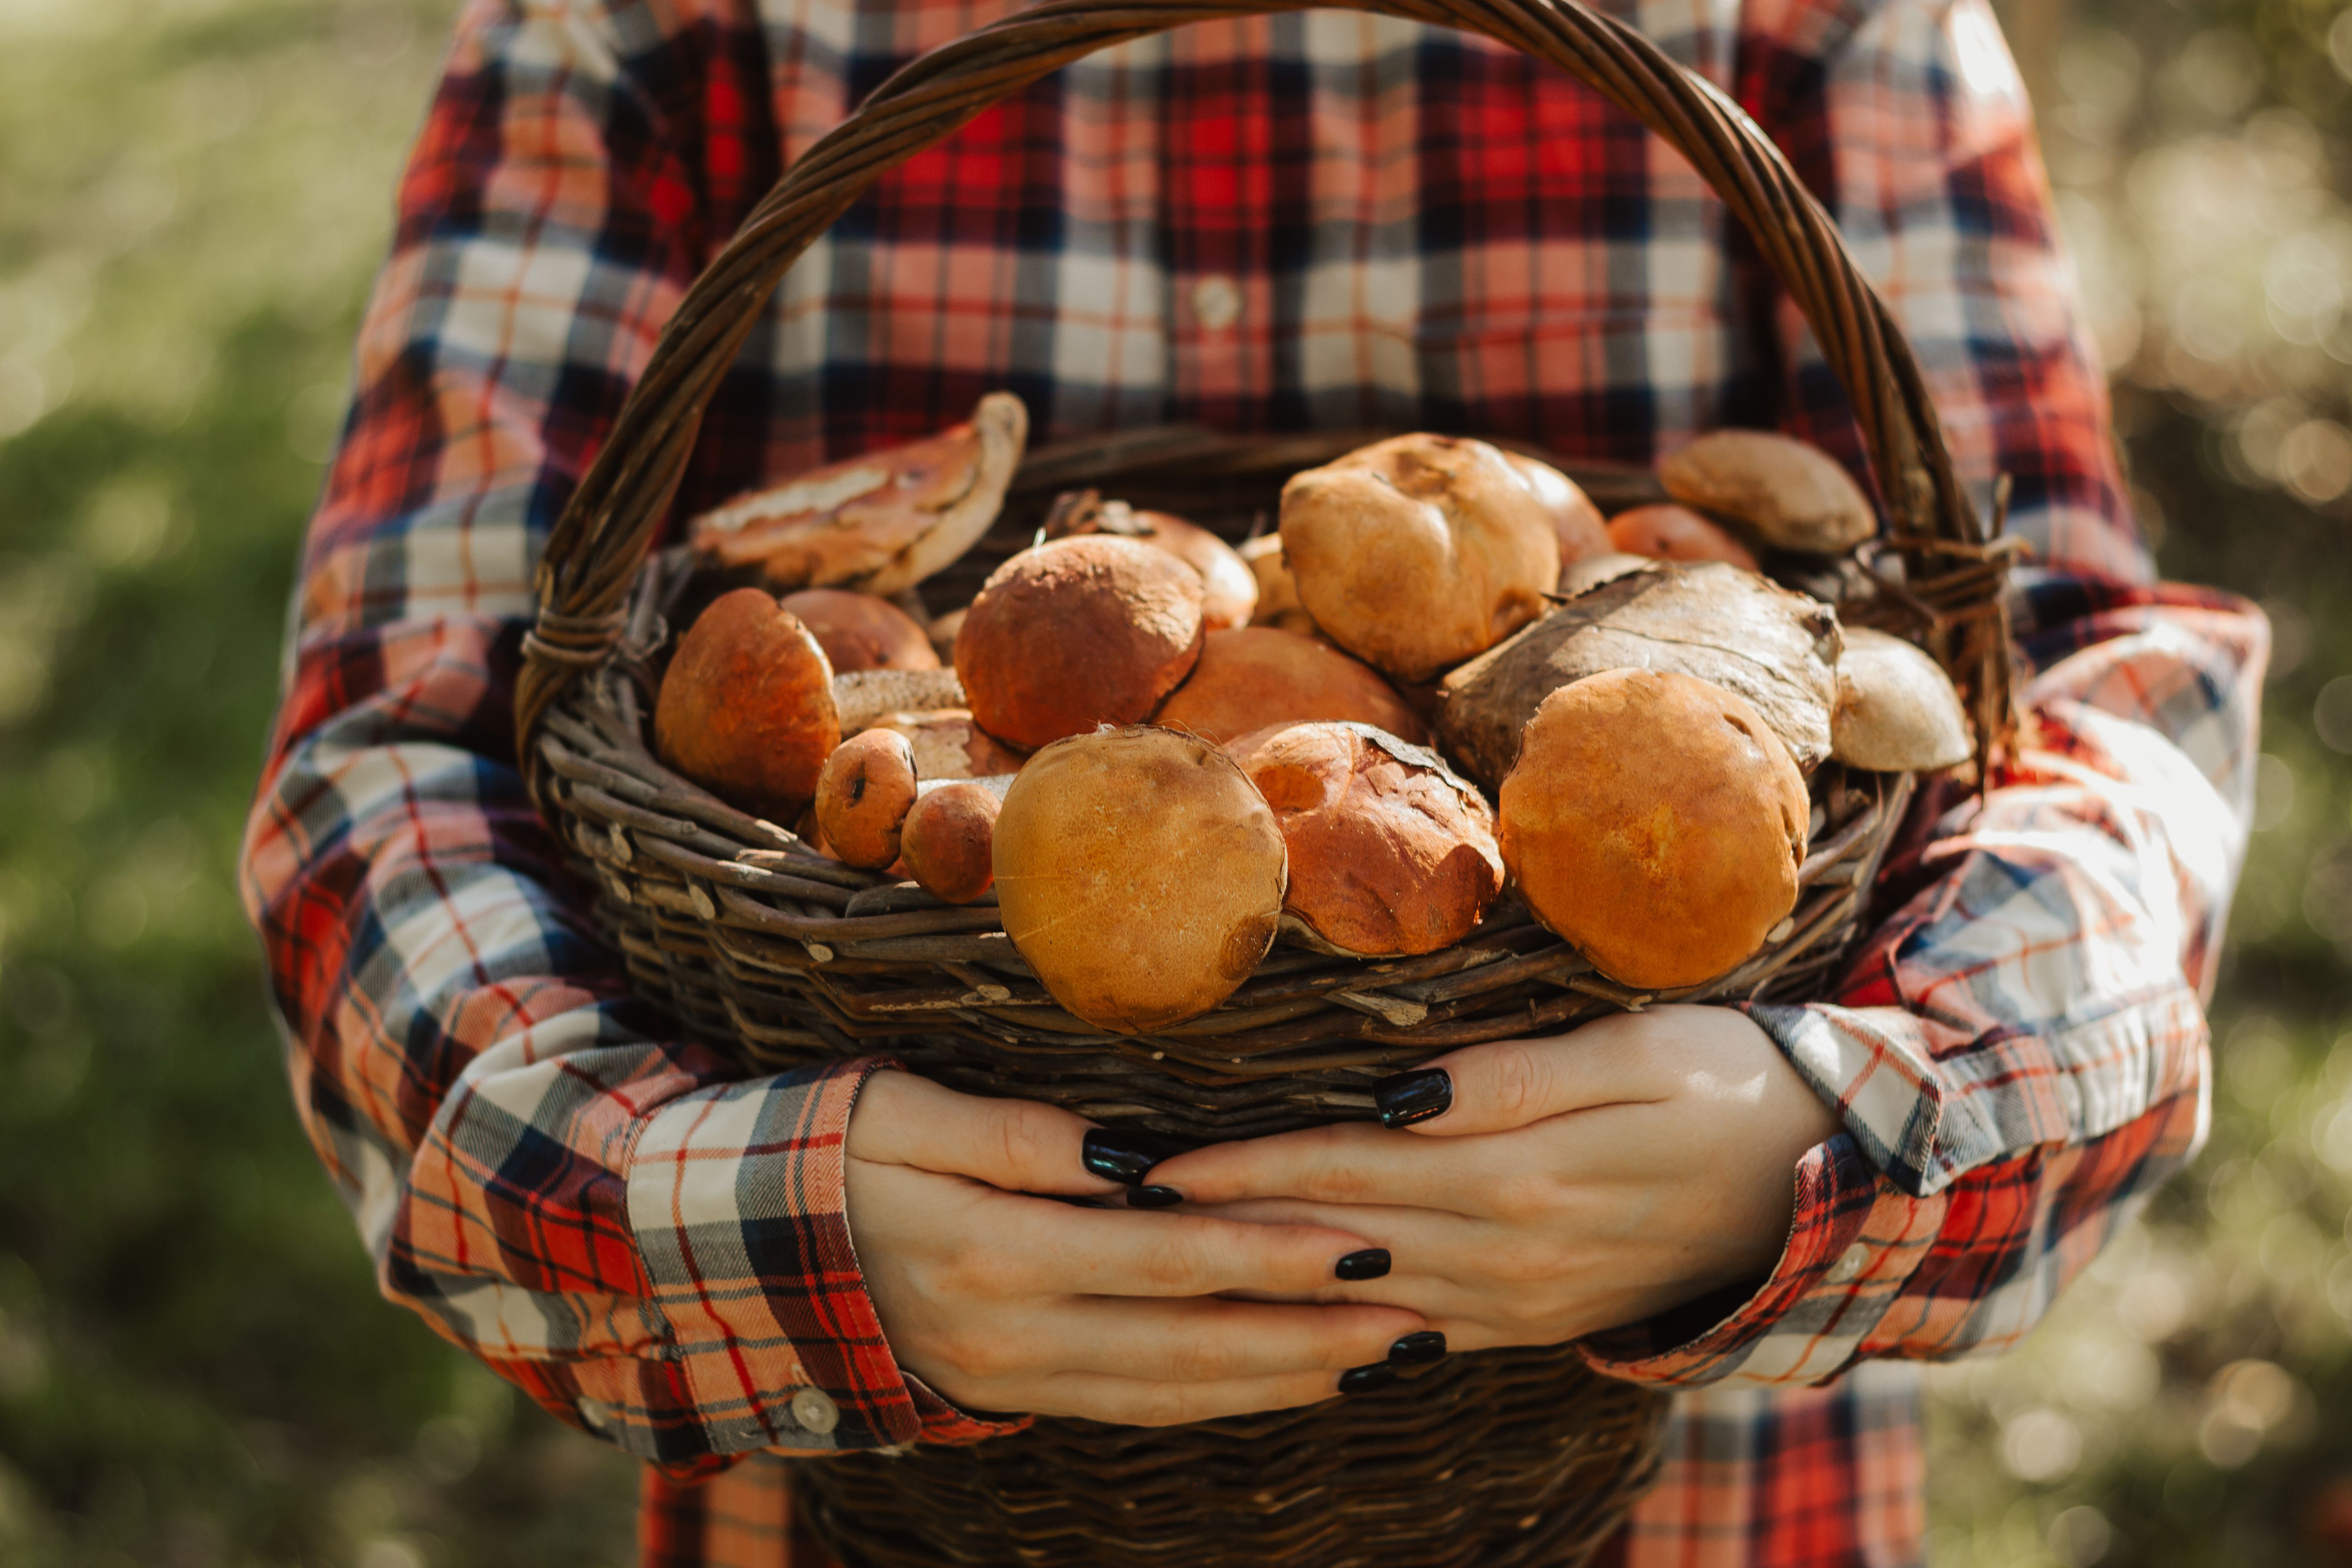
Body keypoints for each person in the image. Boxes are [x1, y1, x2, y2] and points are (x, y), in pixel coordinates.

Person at [238, 0, 2266, 1561]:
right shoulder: (662, 26)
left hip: (1690, 1497)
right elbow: (393, 754)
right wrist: (744, 1216)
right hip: (881, 1485)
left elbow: (2067, 683)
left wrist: (1824, 1135)